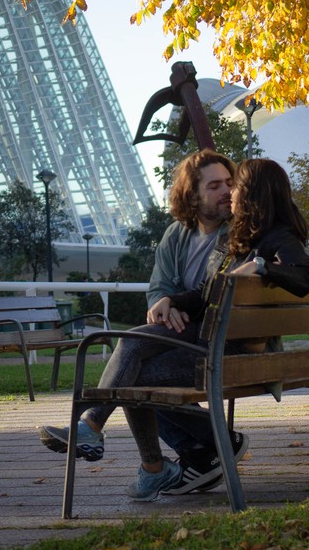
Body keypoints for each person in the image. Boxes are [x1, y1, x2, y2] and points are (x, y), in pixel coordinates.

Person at [38, 149, 236, 497]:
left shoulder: (239, 233)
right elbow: (158, 285)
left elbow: (217, 294)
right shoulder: (177, 234)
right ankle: (162, 464)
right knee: (129, 368)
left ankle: (97, 427)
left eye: (229, 184)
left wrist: (177, 303)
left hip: (219, 343)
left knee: (128, 353)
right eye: (215, 185)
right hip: (182, 339)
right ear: (192, 194)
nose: (227, 192)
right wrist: (162, 302)